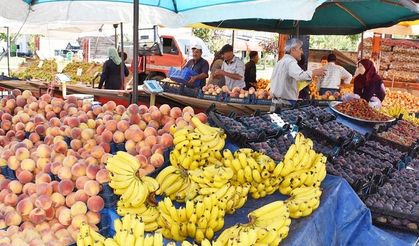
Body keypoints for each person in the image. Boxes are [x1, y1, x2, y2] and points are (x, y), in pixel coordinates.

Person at [270, 38, 325, 110]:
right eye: (300, 49)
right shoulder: (290, 62)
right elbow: (301, 76)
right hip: (285, 105)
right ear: (293, 50)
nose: (302, 52)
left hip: (275, 103)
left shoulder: (280, 62)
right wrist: (314, 72)